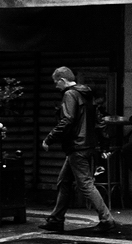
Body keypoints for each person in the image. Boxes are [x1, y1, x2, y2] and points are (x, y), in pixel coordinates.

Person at [39, 67, 118, 232]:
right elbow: (99, 122)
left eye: (56, 82)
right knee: (64, 181)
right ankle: (56, 219)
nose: (56, 86)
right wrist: (104, 144)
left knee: (85, 184)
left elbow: (67, 120)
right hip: (87, 145)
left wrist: (49, 138)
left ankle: (107, 219)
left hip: (77, 146)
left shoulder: (70, 94)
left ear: (62, 80)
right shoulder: (87, 94)